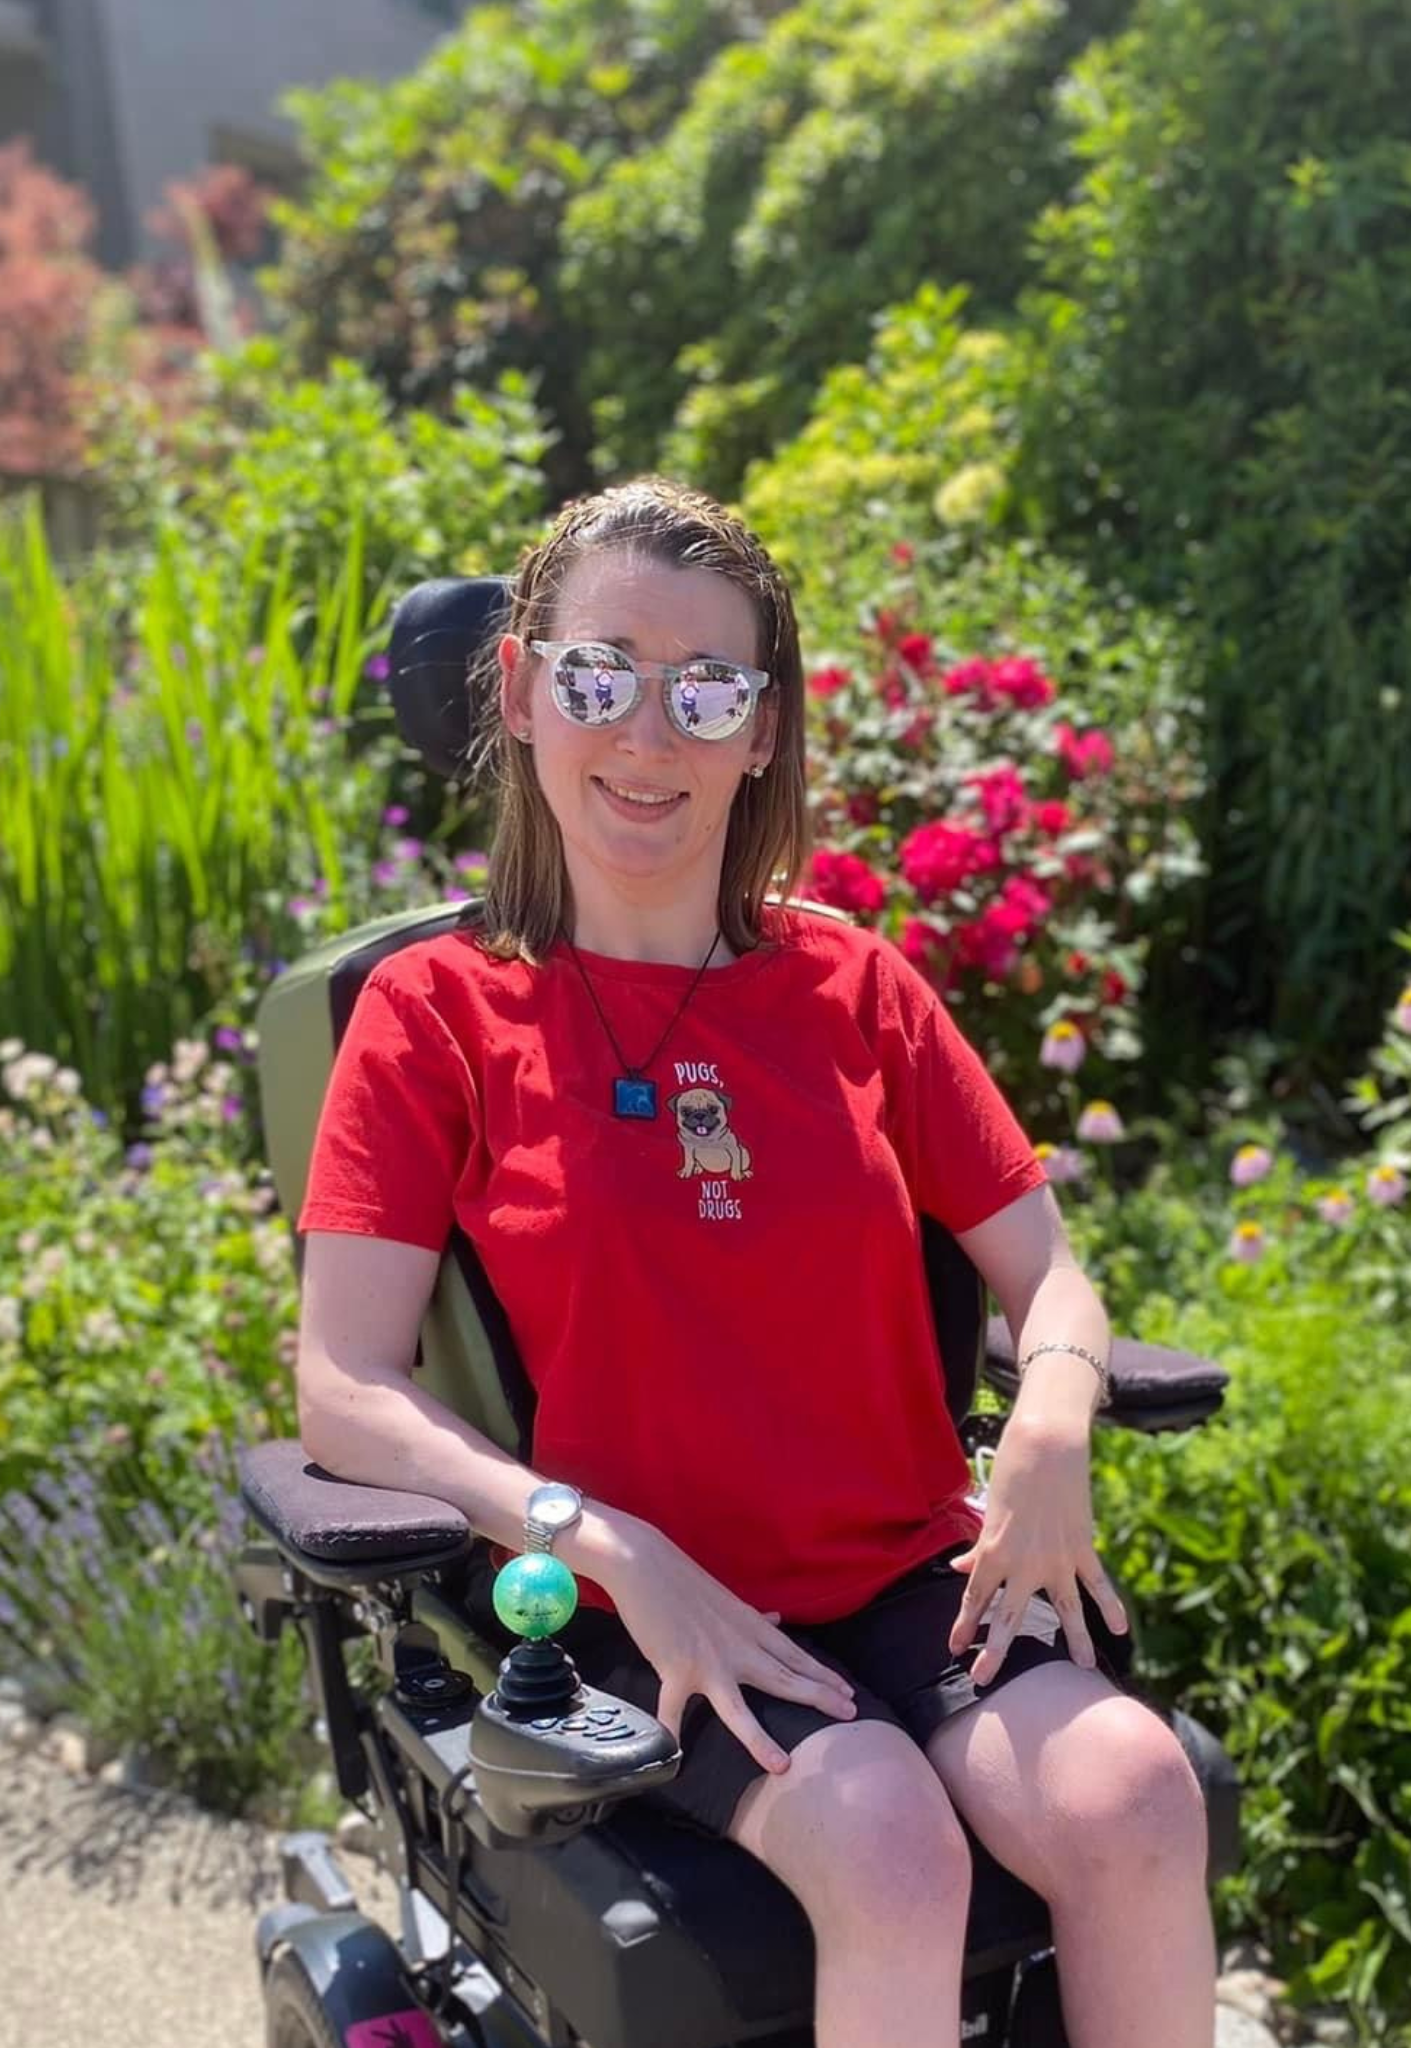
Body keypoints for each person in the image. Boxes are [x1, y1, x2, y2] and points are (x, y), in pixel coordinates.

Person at [294, 478, 1216, 2048]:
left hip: (911, 1569)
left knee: (1136, 1792)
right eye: (603, 676)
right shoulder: (437, 1014)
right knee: (884, 1841)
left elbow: (1048, 1277)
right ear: (523, 691)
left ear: (764, 730)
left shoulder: (857, 987)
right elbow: (342, 1387)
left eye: (706, 688)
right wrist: (616, 1551)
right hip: (629, 1600)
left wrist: (1051, 1425)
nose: (650, 734)